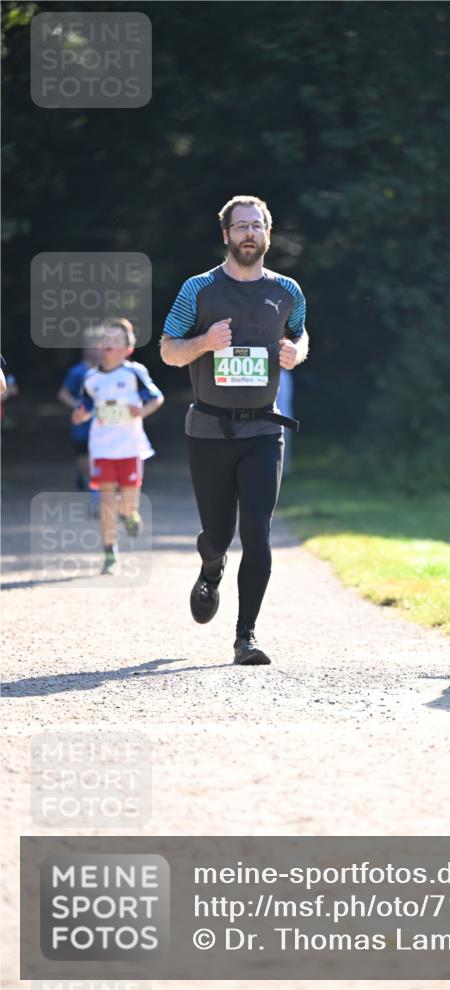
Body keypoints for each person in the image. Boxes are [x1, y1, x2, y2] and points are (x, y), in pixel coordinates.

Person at [160, 194, 309, 665]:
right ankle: (210, 567)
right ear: (226, 235)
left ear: (268, 233)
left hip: (264, 431)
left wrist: (295, 352)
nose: (249, 233)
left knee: (258, 532)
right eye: (241, 226)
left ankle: (246, 636)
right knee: (218, 534)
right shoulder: (199, 289)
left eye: (257, 226)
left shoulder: (288, 290)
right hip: (208, 428)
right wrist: (204, 342)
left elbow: (300, 334)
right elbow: (167, 349)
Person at [72, 317, 164, 575]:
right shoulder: (90, 379)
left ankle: (130, 514)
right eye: (105, 340)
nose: (109, 344)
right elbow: (85, 409)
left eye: (116, 340)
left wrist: (141, 410)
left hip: (130, 448)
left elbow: (157, 398)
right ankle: (110, 553)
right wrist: (79, 415)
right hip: (102, 449)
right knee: (107, 502)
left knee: (127, 503)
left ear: (128, 348)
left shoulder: (134, 373)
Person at [58, 340, 101, 509]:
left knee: (100, 463)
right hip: (81, 428)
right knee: (86, 465)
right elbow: (62, 394)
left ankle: (97, 502)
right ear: (85, 350)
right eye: (93, 346)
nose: (97, 350)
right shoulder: (77, 372)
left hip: (103, 427)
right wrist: (78, 405)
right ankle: (90, 491)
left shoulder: (107, 371)